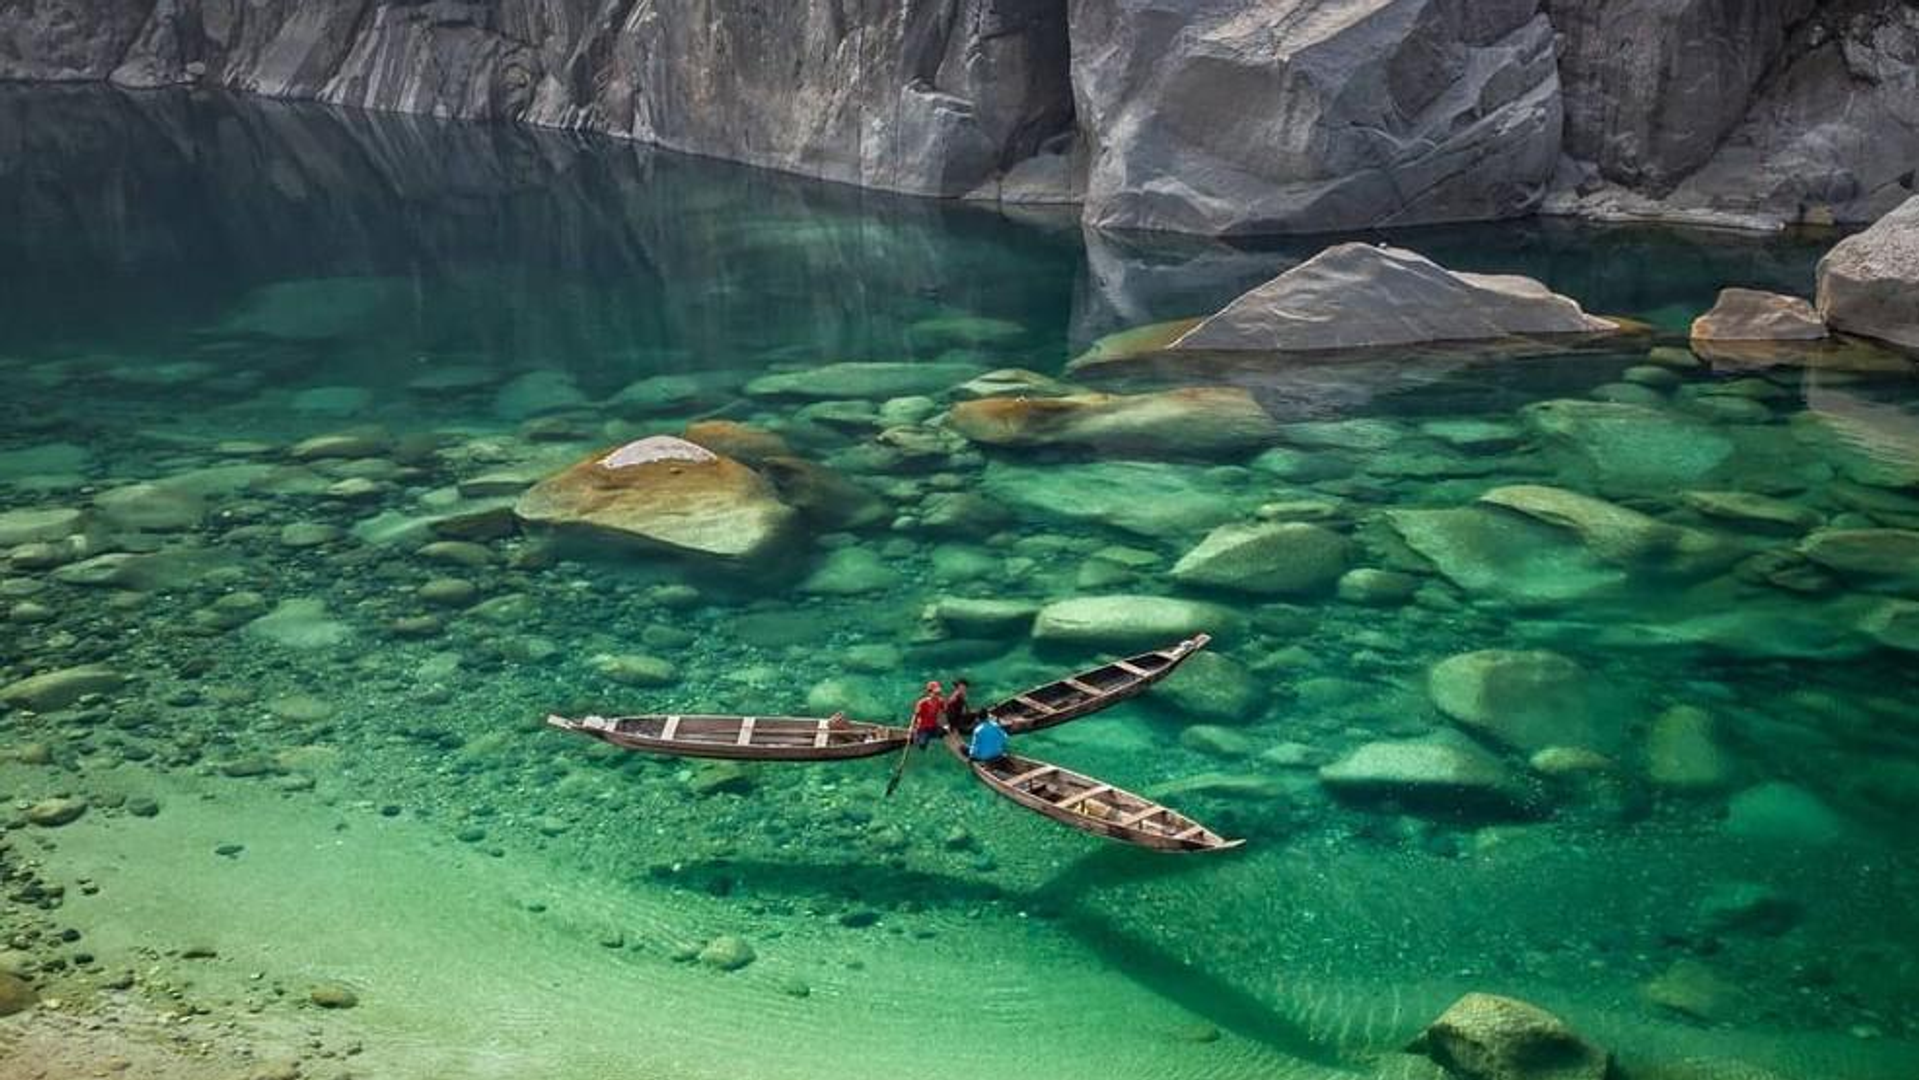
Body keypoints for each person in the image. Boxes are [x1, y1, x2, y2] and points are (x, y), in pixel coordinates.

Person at [910, 680, 945, 749]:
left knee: (944, 733)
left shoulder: (940, 701)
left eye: (938, 693)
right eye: (935, 693)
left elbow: (942, 714)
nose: (937, 695)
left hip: (933, 726)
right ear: (930, 692)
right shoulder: (922, 703)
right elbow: (915, 716)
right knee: (922, 745)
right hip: (923, 728)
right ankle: (918, 737)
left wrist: (945, 724)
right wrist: (911, 728)